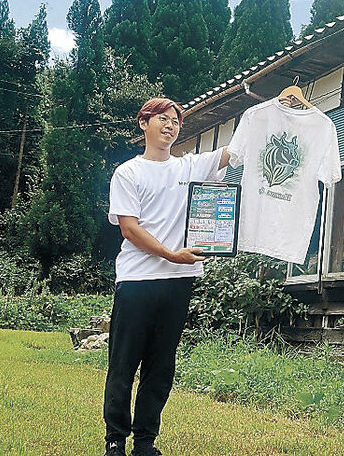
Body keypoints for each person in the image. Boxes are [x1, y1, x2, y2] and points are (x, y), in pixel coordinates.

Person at [103, 97, 229, 456]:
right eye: (162, 118)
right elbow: (130, 229)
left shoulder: (189, 167)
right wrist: (171, 255)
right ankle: (115, 440)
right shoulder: (128, 172)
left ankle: (145, 442)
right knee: (123, 363)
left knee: (160, 366)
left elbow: (235, 151)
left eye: (176, 120)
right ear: (144, 123)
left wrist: (278, 110)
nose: (171, 125)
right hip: (136, 282)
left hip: (178, 283)